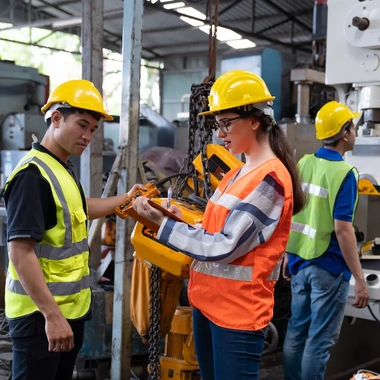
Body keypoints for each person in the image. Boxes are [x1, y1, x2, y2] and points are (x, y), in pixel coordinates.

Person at [132, 69, 306, 380]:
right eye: (218, 125)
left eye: (226, 123)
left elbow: (225, 245)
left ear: (253, 120)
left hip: (238, 313)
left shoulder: (270, 180)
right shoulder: (236, 172)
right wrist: (172, 213)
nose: (220, 133)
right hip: (209, 304)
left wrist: (163, 226)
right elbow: (213, 227)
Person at [3, 79, 145, 380]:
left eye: (93, 129)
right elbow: (20, 252)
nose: (88, 136)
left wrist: (127, 198)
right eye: (82, 125)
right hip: (40, 317)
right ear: (56, 118)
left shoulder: (59, 167)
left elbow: (80, 208)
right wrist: (52, 316)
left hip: (68, 311)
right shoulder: (32, 175)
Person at [282, 101, 369, 380]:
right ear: (345, 134)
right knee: (319, 341)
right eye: (352, 127)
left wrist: (287, 254)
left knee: (296, 333)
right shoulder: (345, 174)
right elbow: (343, 230)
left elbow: (293, 211)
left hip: (299, 261)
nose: (355, 132)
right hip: (328, 267)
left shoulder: (304, 162)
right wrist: (360, 278)